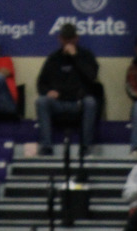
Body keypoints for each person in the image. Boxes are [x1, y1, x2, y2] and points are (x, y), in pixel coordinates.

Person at [35, 23, 100, 155]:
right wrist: (47, 92)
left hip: (79, 102)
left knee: (91, 102)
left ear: (77, 38)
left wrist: (75, 56)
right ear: (60, 39)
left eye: (71, 38)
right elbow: (41, 83)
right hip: (58, 102)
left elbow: (92, 76)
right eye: (65, 38)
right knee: (41, 101)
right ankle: (46, 146)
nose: (68, 42)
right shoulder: (53, 58)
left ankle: (85, 147)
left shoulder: (86, 56)